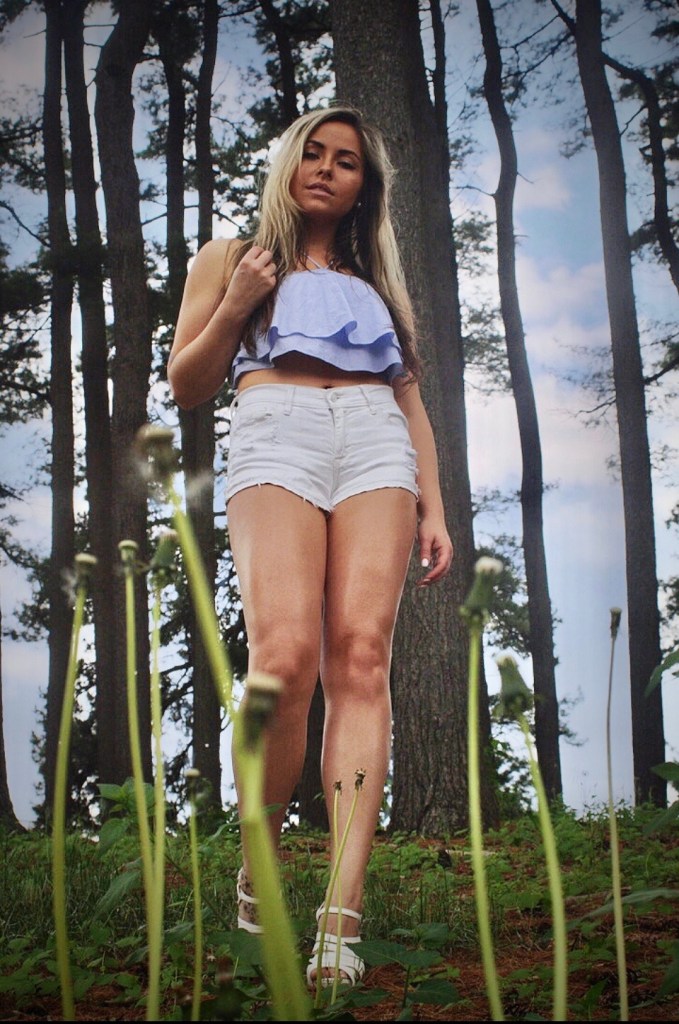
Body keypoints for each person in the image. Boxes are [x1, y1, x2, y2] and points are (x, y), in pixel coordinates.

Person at [167, 106, 453, 987]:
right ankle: (259, 874)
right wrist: (239, 304)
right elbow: (187, 384)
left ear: (365, 185)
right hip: (275, 427)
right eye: (314, 154)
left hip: (374, 441)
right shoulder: (231, 257)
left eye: (348, 162)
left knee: (361, 656)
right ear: (289, 164)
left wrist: (435, 508)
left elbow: (408, 402)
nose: (328, 169)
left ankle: (339, 916)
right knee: (282, 659)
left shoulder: (377, 282)